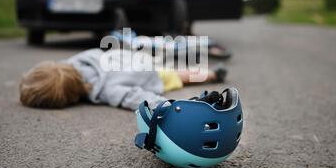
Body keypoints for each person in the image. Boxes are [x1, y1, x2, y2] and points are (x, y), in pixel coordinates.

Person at [19, 48, 227, 110]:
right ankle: (208, 71)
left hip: (148, 76)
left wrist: (170, 107)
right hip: (134, 59)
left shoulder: (108, 90)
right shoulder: (76, 61)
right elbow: (56, 70)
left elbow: (139, 98)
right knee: (174, 69)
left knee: (179, 76)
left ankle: (211, 74)